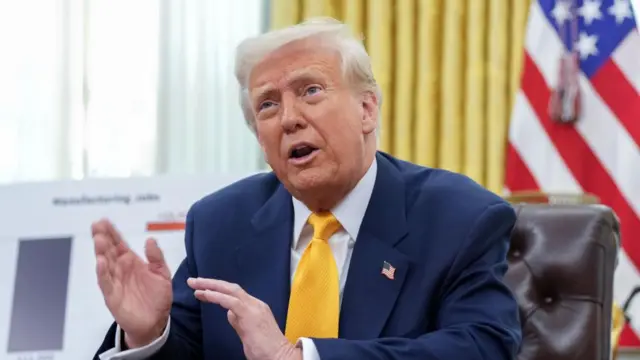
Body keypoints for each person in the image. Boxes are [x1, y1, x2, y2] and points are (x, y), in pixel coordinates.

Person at [93, 17, 522, 360]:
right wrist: (148, 334)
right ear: (259, 137)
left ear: (367, 109)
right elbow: (189, 350)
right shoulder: (221, 223)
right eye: (268, 105)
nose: (289, 118)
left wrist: (298, 358)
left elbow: (484, 346)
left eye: (310, 91)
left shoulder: (459, 217)